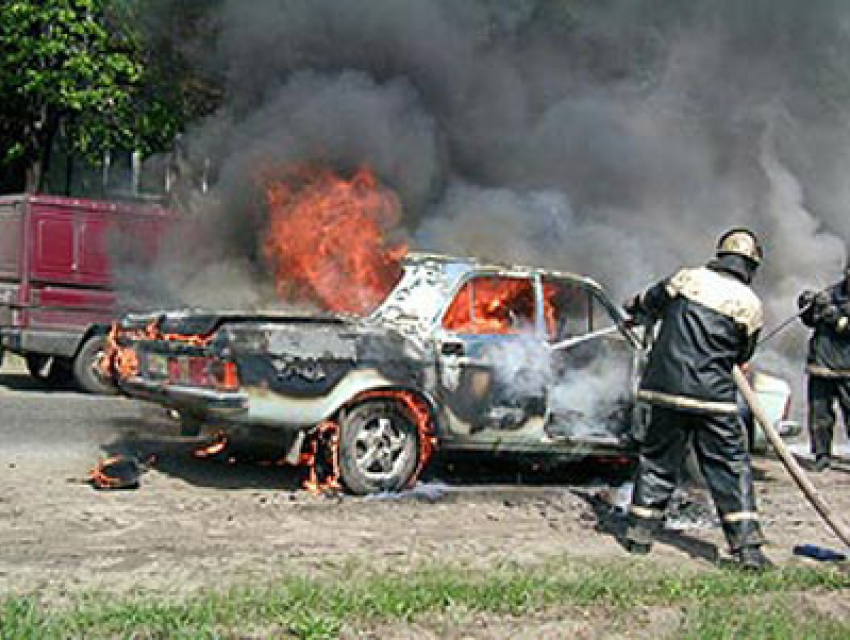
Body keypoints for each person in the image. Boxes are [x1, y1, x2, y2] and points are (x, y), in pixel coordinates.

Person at [621, 228, 769, 570]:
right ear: (750, 266)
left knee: (658, 461)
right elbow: (743, 352)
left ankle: (639, 536)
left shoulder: (685, 279)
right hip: (712, 398)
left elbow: (645, 302)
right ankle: (748, 551)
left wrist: (637, 311)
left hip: (664, 390)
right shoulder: (750, 303)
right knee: (730, 468)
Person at [798, 262, 850, 472]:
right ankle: (821, 456)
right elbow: (810, 321)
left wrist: (836, 318)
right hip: (821, 366)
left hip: (847, 369)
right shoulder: (830, 293)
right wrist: (807, 305)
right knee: (820, 416)